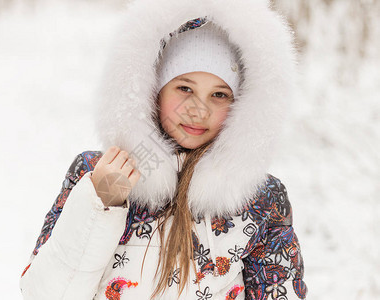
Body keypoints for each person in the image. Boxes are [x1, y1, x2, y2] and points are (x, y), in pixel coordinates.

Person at [19, 0, 308, 299]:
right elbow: (44, 293)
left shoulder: (259, 199)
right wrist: (99, 204)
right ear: (154, 89)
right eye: (185, 88)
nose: (199, 109)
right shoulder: (97, 173)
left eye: (219, 94)